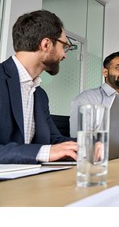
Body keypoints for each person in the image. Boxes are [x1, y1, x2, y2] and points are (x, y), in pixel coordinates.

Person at [0, 10, 77, 164]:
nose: (64, 55)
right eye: (65, 46)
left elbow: (54, 141)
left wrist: (94, 143)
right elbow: (48, 150)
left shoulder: (39, 94)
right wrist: (43, 152)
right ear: (46, 44)